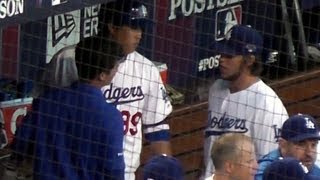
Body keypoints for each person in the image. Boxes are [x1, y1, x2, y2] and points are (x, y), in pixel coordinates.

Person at [13, 36, 126, 180]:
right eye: (115, 66)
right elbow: (114, 172)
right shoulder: (110, 117)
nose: (116, 70)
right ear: (102, 75)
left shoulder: (45, 103)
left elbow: (20, 146)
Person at [202, 24, 288, 179]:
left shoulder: (267, 104)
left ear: (249, 60)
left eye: (229, 56)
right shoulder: (216, 90)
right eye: (221, 54)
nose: (222, 60)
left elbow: (269, 163)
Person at [98, 1, 172, 179]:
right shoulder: (75, 62)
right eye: (133, 27)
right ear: (112, 27)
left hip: (126, 174)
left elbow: (158, 131)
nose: (139, 34)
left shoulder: (146, 69)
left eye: (141, 27)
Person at [255, 113, 320, 180]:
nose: (309, 153)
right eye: (301, 144)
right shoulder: (263, 172)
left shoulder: (315, 170)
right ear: (283, 145)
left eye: (313, 145)